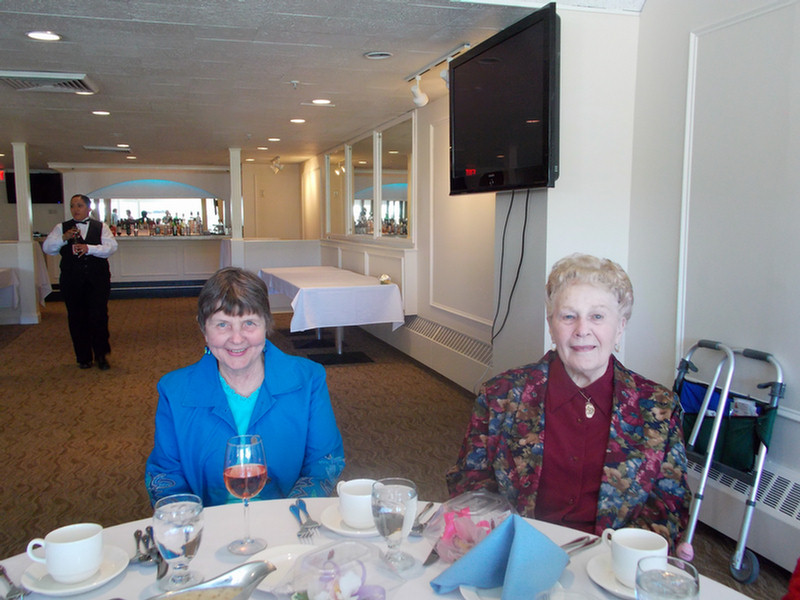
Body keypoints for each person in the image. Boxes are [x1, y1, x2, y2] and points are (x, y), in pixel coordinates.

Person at [446, 253, 691, 549]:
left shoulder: (657, 407)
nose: (582, 330)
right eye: (568, 316)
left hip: (609, 561)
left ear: (620, 326)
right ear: (551, 325)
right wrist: (499, 539)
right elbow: (470, 482)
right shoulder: (501, 395)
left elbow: (669, 504)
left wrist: (627, 551)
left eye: (597, 316)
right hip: (518, 551)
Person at [145, 266, 345, 506]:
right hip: (209, 523)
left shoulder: (308, 379)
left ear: (266, 324)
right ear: (203, 329)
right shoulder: (174, 391)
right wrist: (189, 520)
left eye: (249, 323)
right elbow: (166, 475)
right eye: (222, 324)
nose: (237, 338)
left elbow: (324, 463)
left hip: (286, 520)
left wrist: (290, 514)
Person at [42, 194, 119, 370]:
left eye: (79, 205)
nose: (75, 209)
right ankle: (83, 357)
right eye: (72, 206)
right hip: (71, 280)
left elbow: (111, 248)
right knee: (76, 317)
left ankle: (101, 355)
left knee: (98, 316)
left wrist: (89, 248)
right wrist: (63, 238)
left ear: (88, 208)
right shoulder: (61, 228)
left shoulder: (101, 227)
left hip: (97, 279)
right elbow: (48, 248)